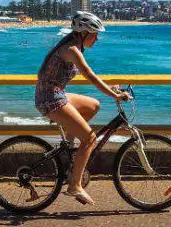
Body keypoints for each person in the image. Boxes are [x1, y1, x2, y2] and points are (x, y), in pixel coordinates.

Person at [33, 11, 131, 205]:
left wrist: (110, 89)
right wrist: (115, 95)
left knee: (93, 106)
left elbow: (88, 76)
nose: (97, 39)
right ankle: (74, 186)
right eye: (94, 34)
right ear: (83, 33)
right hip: (50, 98)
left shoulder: (73, 46)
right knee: (90, 138)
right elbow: (89, 75)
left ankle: (70, 153)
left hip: (54, 93)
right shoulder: (71, 49)